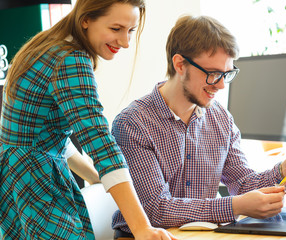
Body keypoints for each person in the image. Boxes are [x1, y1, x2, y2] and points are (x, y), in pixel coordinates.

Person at [111, 15, 286, 233]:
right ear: (180, 64)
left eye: (226, 74)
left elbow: (242, 184)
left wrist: (282, 171)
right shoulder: (133, 124)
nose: (221, 86)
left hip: (204, 234)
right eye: (213, 74)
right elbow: (156, 209)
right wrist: (234, 205)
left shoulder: (221, 118)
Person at [0, 0, 176, 239]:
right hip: (34, 180)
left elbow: (47, 131)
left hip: (16, 176)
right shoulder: (69, 59)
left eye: (131, 30)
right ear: (86, 20)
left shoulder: (48, 46)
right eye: (116, 29)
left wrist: (95, 176)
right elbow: (98, 139)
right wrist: (141, 227)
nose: (125, 42)